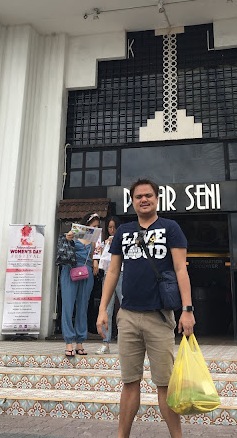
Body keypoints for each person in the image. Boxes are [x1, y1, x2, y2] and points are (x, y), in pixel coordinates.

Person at [96, 179, 195, 438]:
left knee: (165, 384)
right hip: (128, 316)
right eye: (139, 196)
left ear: (157, 199)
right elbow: (113, 271)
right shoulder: (123, 231)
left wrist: (187, 310)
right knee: (129, 383)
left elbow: (181, 269)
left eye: (148, 195)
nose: (144, 200)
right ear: (132, 201)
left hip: (159, 317)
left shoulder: (170, 228)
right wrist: (103, 309)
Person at [60, 212, 100, 357]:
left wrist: (95, 261)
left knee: (83, 307)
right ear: (87, 225)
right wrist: (68, 238)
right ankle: (68, 342)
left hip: (86, 271)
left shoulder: (94, 239)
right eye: (93, 226)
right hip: (70, 270)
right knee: (68, 306)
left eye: (97, 226)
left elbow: (95, 253)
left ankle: (80, 341)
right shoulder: (74, 234)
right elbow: (63, 248)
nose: (95, 228)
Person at [94, 216, 123, 354]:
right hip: (107, 274)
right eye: (110, 227)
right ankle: (105, 343)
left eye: (114, 227)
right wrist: (104, 246)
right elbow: (100, 258)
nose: (112, 230)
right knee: (107, 308)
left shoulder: (124, 240)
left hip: (122, 273)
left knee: (125, 307)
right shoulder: (106, 242)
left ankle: (126, 341)